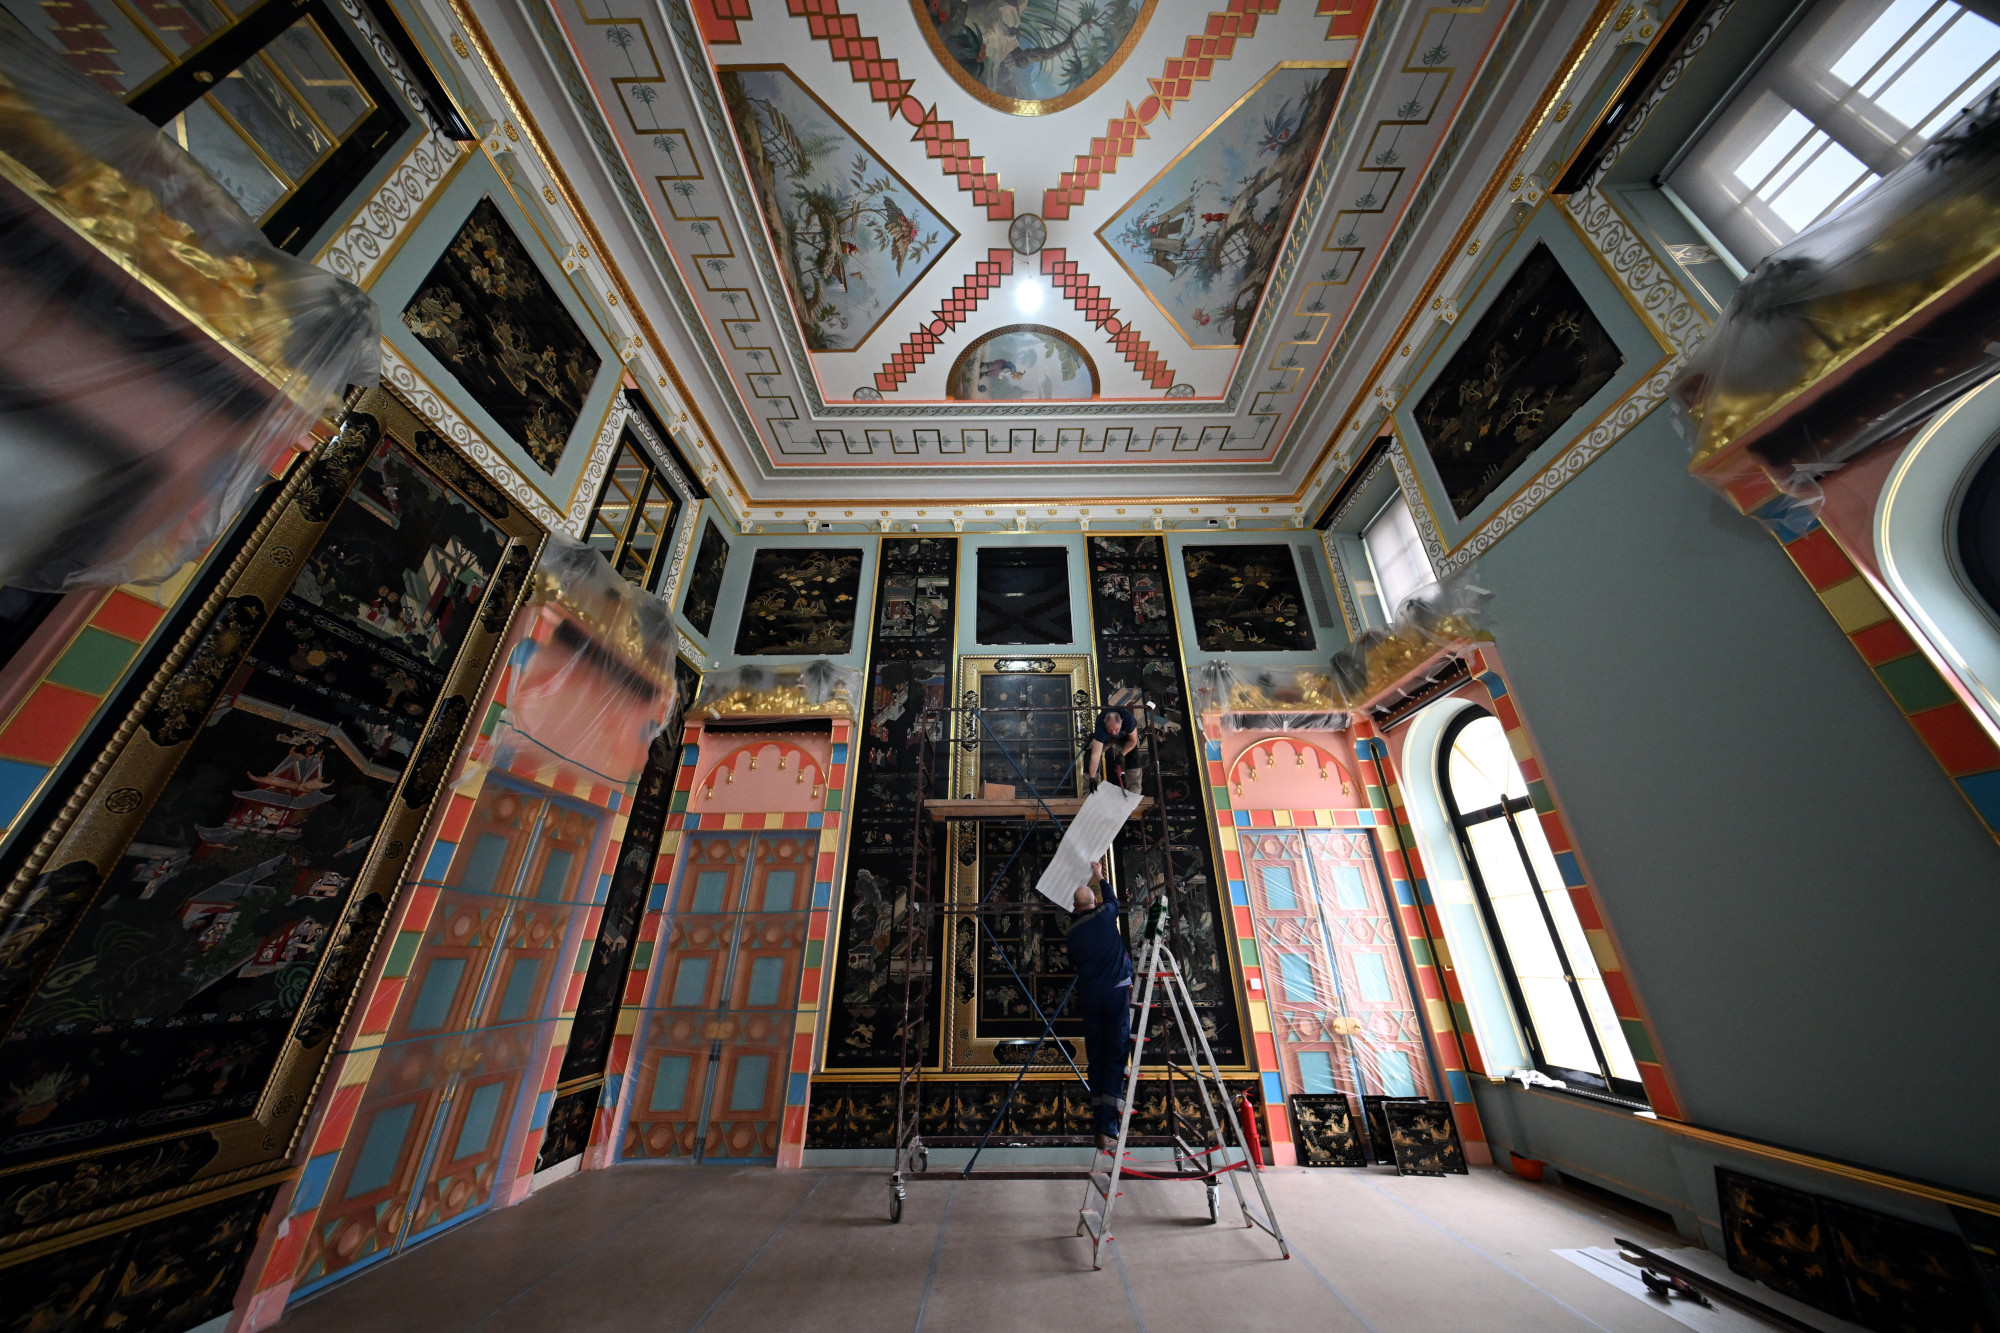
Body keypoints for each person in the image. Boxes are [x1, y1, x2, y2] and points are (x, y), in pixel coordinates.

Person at [1066, 860, 1133, 1152]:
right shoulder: (1106, 915)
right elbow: (1113, 900)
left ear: (1074, 906)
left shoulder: (1072, 934)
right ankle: (1109, 1127)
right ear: (1094, 902)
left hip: (1091, 998)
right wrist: (1100, 875)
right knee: (1115, 1055)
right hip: (1116, 993)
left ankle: (1100, 1127)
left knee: (1096, 1058)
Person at [1085, 703, 1142, 793]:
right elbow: (1095, 755)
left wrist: (1121, 754)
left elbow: (1133, 741)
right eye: (1110, 729)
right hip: (1107, 739)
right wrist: (1092, 778)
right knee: (1089, 753)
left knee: (1133, 753)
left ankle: (1134, 791)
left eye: (1116, 729)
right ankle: (1090, 790)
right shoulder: (1100, 726)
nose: (1114, 732)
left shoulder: (1129, 719)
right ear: (1105, 723)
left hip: (1126, 739)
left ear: (1121, 722)